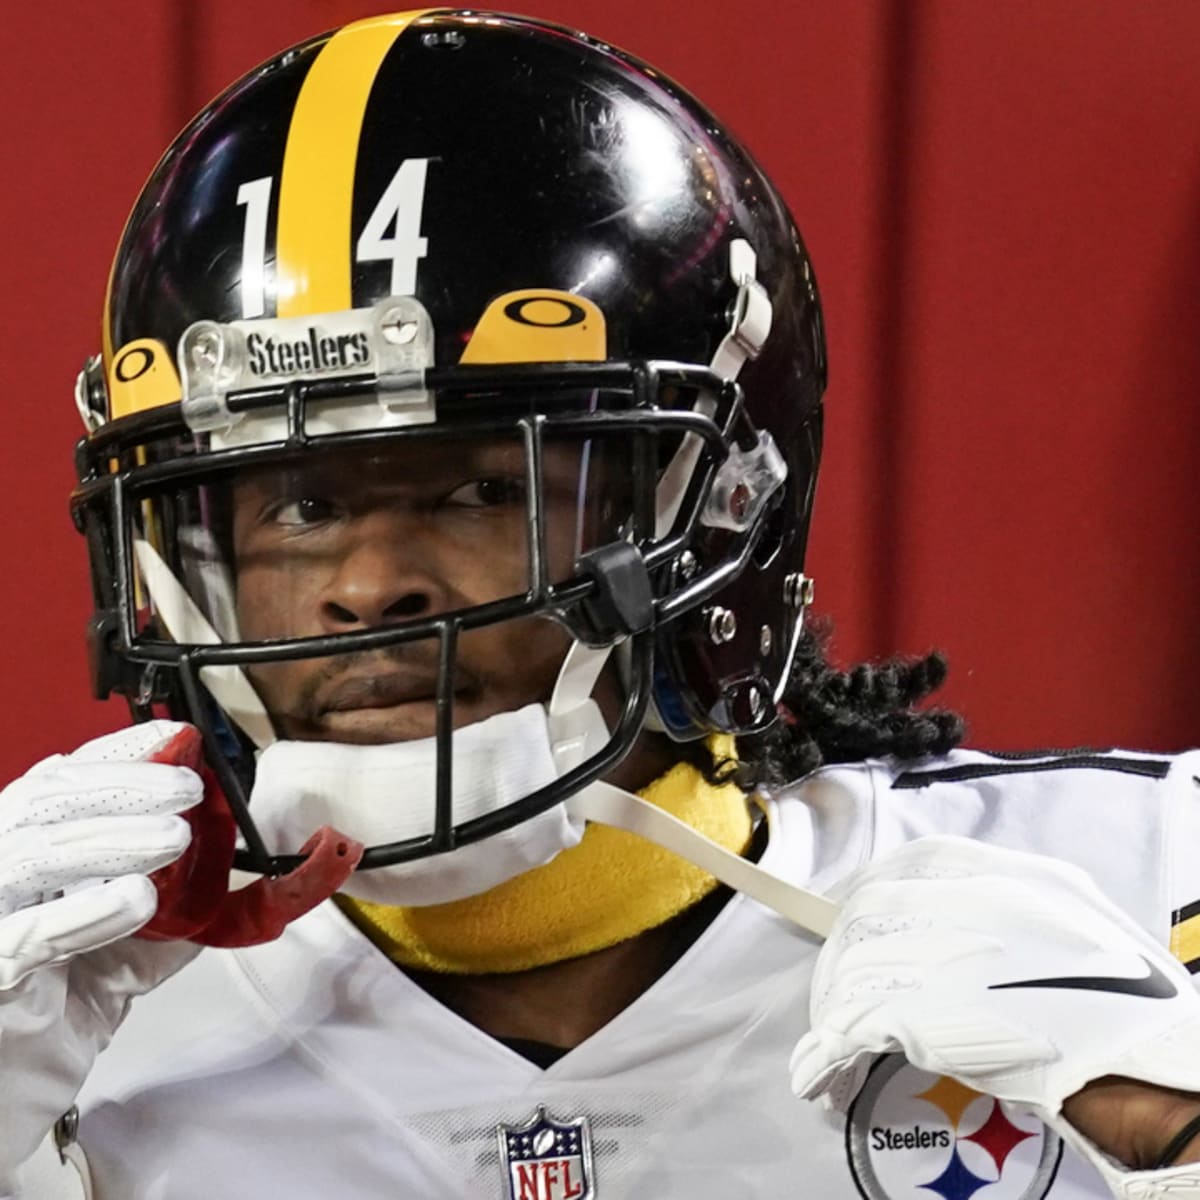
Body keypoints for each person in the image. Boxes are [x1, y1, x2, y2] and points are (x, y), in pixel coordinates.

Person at [1, 10, 1198, 1199]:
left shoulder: (1142, 879)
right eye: (300, 513)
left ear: (715, 509)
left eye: (480, 487)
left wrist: (1173, 1135)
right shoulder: (60, 1027)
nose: (368, 588)